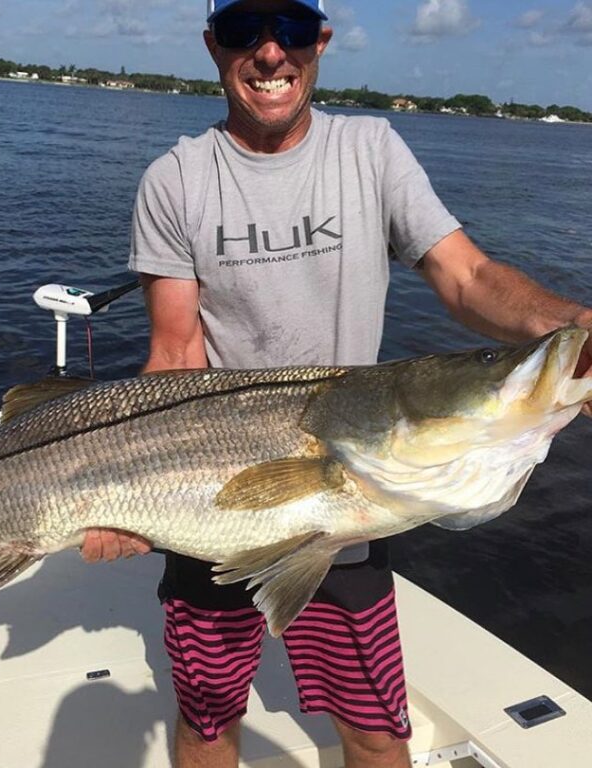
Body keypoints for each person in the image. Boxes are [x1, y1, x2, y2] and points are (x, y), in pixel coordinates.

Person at [81, 1, 592, 766]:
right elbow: (176, 351)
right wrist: (122, 491)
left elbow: (467, 275)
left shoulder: (371, 149)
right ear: (212, 46)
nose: (268, 53)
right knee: (207, 723)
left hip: (350, 499)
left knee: (378, 732)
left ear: (319, 40)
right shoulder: (175, 179)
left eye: (288, 28)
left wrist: (575, 323)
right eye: (243, 31)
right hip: (209, 489)